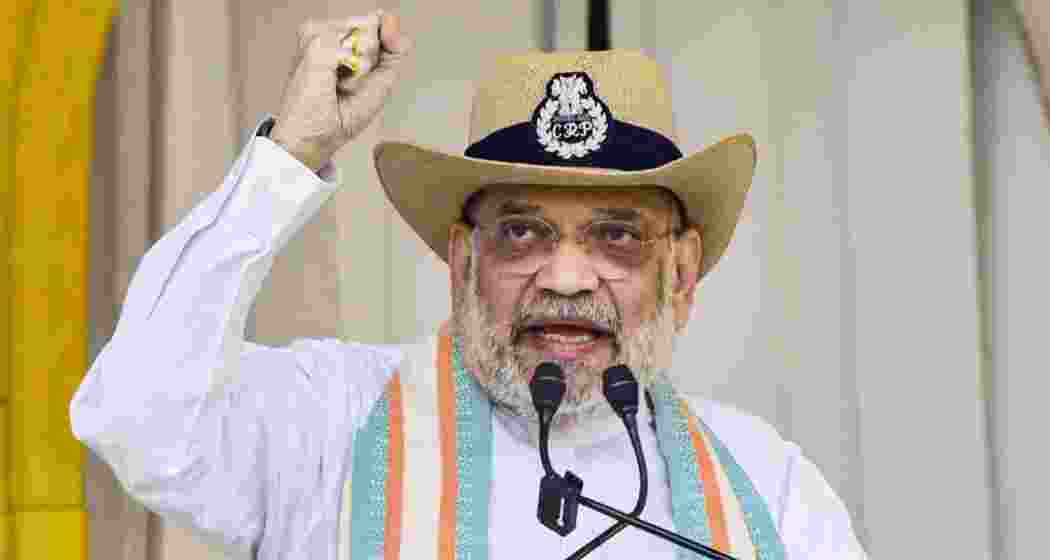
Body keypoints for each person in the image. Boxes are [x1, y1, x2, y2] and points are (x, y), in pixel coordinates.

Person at [71, 10, 868, 560]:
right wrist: (290, 156)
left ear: (682, 273)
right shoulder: (329, 425)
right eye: (522, 232)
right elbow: (134, 412)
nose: (564, 278)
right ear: (461, 262)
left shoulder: (767, 484)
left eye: (616, 236)